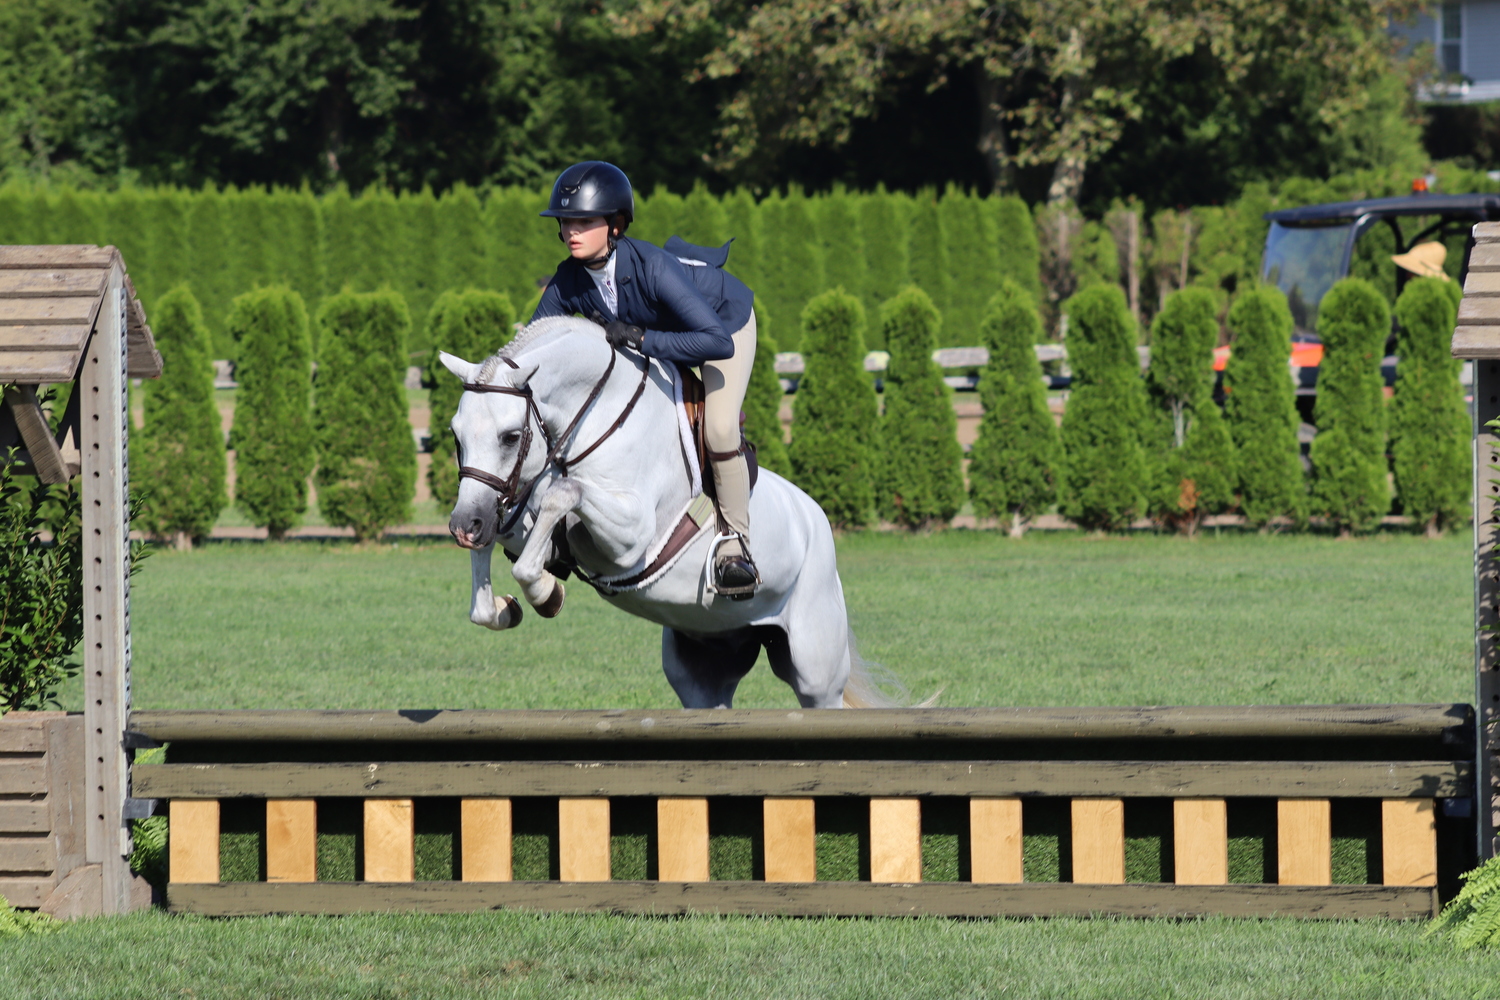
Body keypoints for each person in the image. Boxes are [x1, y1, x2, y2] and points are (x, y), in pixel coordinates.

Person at [531, 161, 761, 599]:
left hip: (722, 326)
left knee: (718, 426)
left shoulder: (653, 268)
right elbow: (534, 345)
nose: (571, 231)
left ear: (616, 225)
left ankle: (736, 547)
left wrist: (640, 338)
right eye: (565, 222)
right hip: (670, 336)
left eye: (584, 220)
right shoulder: (568, 281)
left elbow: (714, 342)